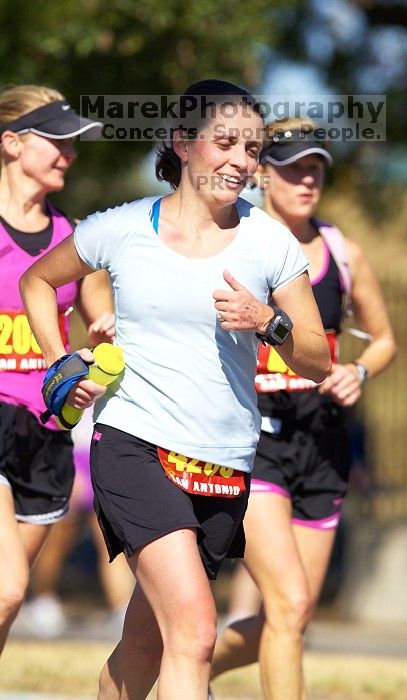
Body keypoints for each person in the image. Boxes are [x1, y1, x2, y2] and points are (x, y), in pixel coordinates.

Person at [19, 81, 331, 700]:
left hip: (224, 462)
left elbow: (320, 359)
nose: (240, 161)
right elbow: (36, 280)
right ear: (184, 143)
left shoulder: (270, 241)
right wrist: (60, 364)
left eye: (252, 148)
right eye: (225, 142)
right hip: (134, 445)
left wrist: (267, 321)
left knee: (147, 641)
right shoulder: (123, 227)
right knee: (194, 632)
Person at [210, 117, 397, 700]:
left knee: (292, 614)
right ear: (262, 174)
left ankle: (184, 664)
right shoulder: (233, 245)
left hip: (323, 444)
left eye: (316, 167)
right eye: (294, 167)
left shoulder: (343, 252)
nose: (307, 179)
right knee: (287, 603)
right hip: (255, 442)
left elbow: (384, 338)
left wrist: (359, 369)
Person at [0, 83, 114, 655]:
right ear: (12, 144)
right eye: (57, 141)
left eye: (74, 144)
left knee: (5, 602)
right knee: (6, 588)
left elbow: (105, 321)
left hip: (46, 432)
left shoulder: (75, 239)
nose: (69, 154)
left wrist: (106, 341)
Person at [22, 410, 135, 639]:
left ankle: (123, 610)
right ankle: (44, 599)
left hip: (105, 449)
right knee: (58, 536)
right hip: (69, 449)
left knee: (111, 541)